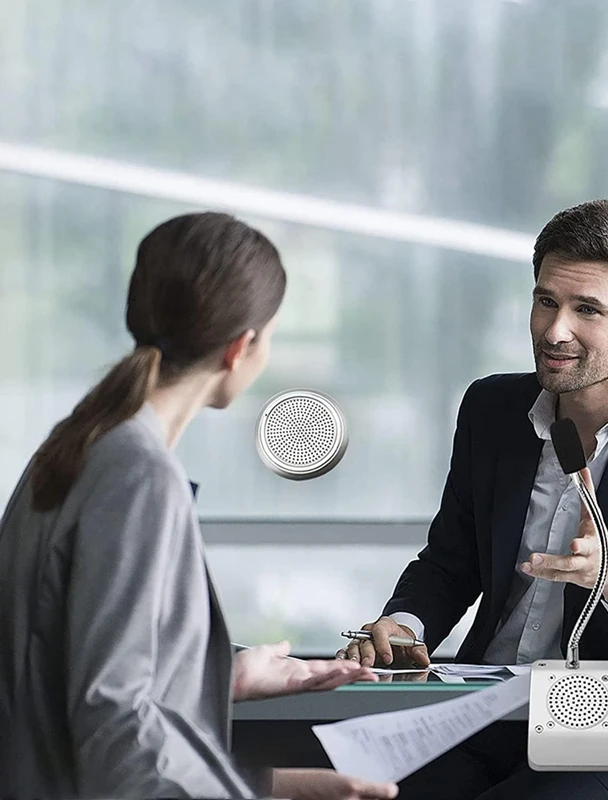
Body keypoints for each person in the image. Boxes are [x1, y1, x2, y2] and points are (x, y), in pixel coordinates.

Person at [339, 200, 608, 799]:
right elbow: (451, 563)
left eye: (587, 309)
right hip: (488, 717)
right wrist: (404, 624)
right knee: (355, 782)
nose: (555, 330)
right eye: (545, 301)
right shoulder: (492, 409)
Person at [0, 212, 398, 800]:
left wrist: (221, 678)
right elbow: (114, 719)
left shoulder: (79, 442)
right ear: (242, 347)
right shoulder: (138, 473)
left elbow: (78, 660)